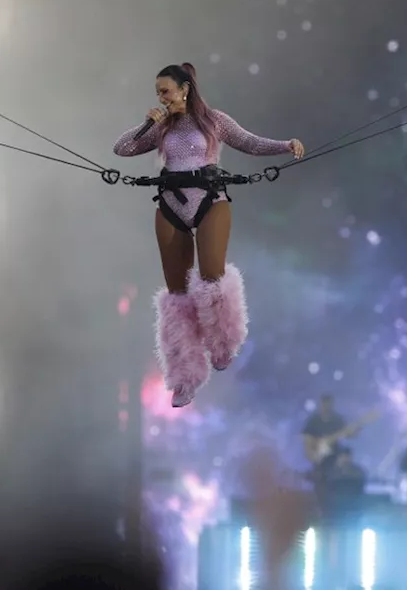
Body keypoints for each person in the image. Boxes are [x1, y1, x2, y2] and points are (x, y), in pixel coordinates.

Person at [113, 63, 303, 408]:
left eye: (165, 90)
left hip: (210, 201)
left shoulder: (214, 120)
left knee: (212, 275)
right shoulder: (162, 127)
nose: (161, 97)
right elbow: (122, 149)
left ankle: (222, 345)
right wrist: (150, 123)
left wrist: (285, 145)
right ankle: (184, 378)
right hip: (171, 205)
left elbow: (249, 142)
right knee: (177, 294)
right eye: (157, 91)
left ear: (185, 88)